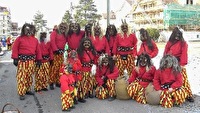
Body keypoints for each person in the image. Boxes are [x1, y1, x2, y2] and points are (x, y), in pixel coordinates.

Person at [11, 23, 42, 100]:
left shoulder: (35, 40)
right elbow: (15, 48)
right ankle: (21, 92)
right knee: (22, 76)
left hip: (31, 62)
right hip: (22, 61)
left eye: (30, 30)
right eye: (27, 30)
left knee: (29, 76)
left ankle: (27, 89)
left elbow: (38, 51)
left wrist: (39, 60)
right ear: (23, 30)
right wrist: (15, 58)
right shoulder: (19, 39)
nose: (28, 32)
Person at [163, 27, 194, 102]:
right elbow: (165, 52)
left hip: (179, 63)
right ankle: (172, 94)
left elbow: (184, 54)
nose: (176, 37)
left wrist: (182, 65)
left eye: (178, 35)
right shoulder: (169, 42)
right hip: (170, 63)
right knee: (171, 79)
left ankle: (188, 94)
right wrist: (165, 62)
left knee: (183, 78)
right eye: (175, 35)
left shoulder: (184, 43)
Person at [49, 22, 68, 90]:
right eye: (61, 27)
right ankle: (51, 82)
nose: (63, 28)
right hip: (54, 53)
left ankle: (57, 81)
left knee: (60, 68)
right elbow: (52, 41)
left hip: (61, 53)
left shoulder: (64, 34)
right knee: (54, 68)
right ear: (59, 26)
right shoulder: (54, 33)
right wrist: (56, 50)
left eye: (64, 27)